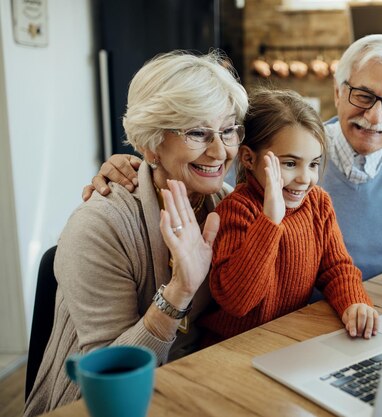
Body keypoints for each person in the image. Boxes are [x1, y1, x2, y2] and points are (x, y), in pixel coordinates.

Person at [84, 34, 382, 281]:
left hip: (381, 316)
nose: (375, 116)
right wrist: (135, 164)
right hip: (295, 322)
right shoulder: (283, 157)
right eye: (363, 95)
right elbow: (200, 157)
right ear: (338, 91)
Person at [24, 50, 248, 416]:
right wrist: (179, 292)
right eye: (196, 132)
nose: (220, 150)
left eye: (227, 130)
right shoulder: (99, 225)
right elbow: (110, 372)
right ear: (151, 143)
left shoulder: (227, 205)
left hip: (195, 386)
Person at [199, 88, 378, 346]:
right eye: (290, 164)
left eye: (313, 164)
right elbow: (237, 302)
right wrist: (270, 220)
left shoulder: (318, 203)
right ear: (249, 158)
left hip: (286, 338)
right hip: (232, 347)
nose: (305, 178)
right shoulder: (236, 210)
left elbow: (336, 269)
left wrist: (355, 302)